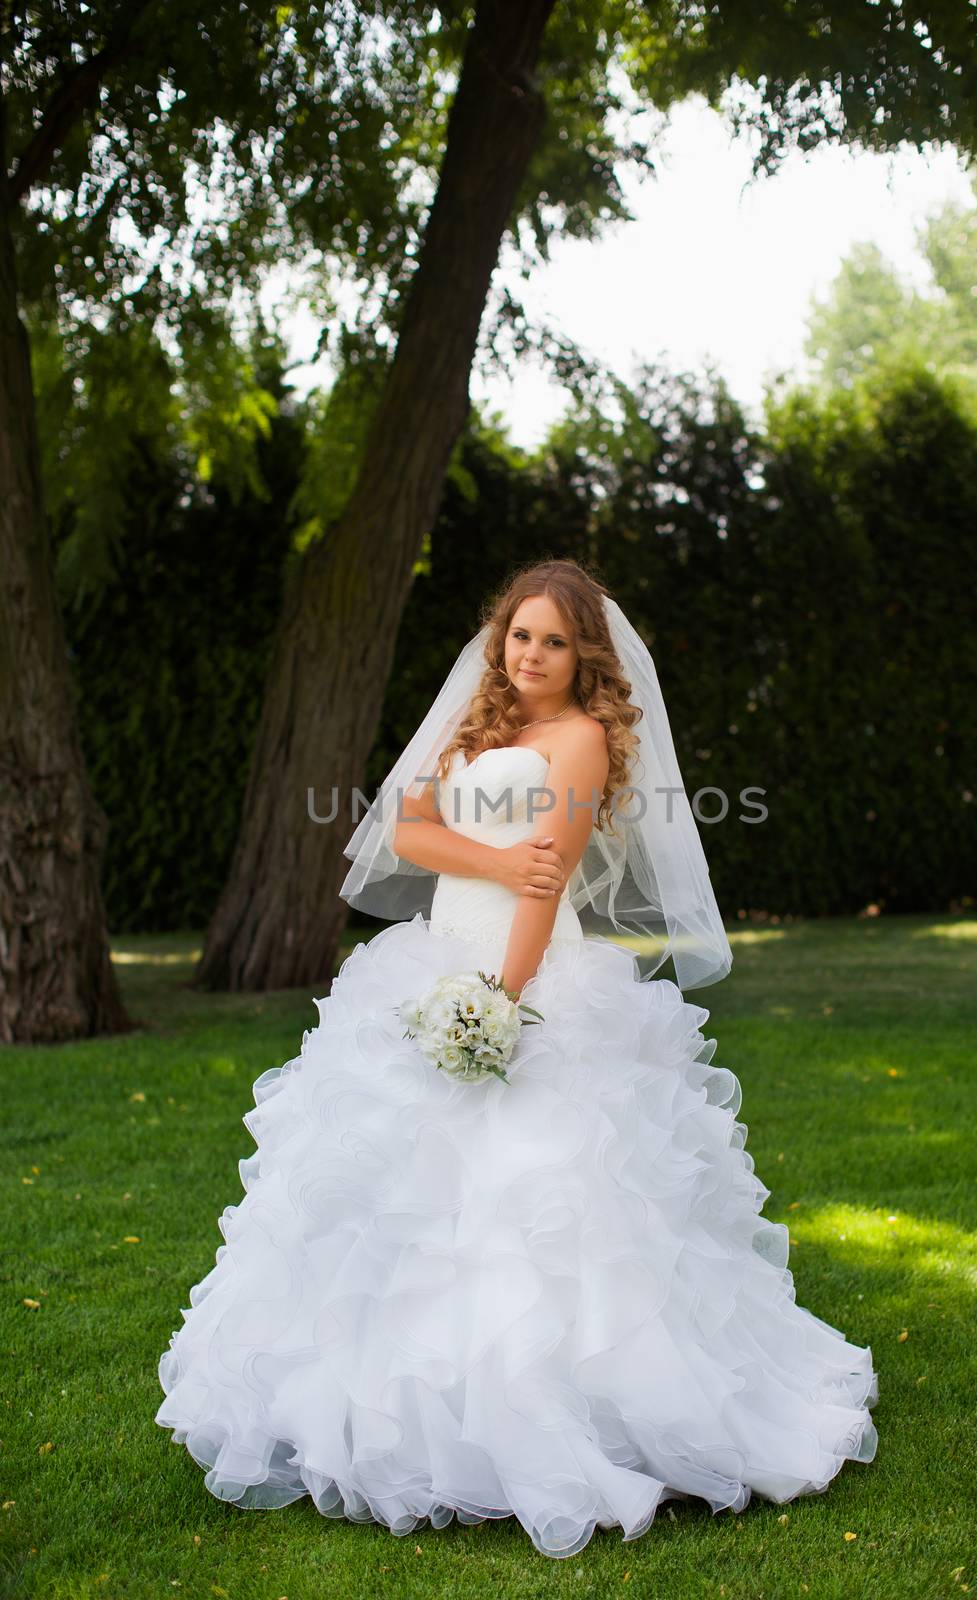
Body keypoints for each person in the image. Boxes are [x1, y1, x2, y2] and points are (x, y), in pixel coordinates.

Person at [155, 558, 878, 1560]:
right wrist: (492, 857)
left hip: (522, 973)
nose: (529, 654)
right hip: (433, 955)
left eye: (552, 640)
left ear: (584, 656)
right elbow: (409, 827)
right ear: (498, 638)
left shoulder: (580, 739)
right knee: (393, 1193)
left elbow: (547, 887)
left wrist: (502, 1000)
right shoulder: (478, 727)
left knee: (537, 1196)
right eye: (518, 635)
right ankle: (391, 1405)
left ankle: (574, 1414)